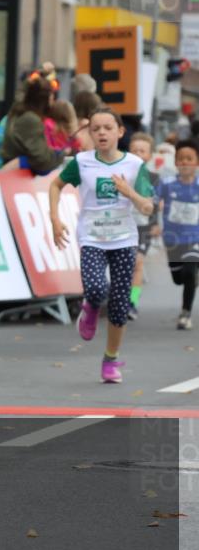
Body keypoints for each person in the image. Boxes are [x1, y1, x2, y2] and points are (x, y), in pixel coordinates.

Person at [50, 108, 155, 383]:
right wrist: (55, 220)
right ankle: (91, 306)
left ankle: (110, 359)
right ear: (90, 134)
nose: (102, 133)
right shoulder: (82, 162)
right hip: (92, 238)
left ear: (120, 132)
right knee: (96, 288)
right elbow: (55, 185)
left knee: (120, 305)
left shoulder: (134, 165)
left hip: (124, 239)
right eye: (95, 129)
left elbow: (147, 206)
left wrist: (129, 192)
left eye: (108, 128)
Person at [154, 139, 199, 330]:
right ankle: (193, 277)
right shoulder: (166, 183)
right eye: (181, 158)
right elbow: (152, 203)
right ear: (175, 162)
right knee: (178, 278)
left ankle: (185, 313)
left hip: (195, 238)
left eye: (189, 158)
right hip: (172, 239)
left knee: (189, 271)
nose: (185, 162)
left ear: (197, 162)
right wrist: (154, 224)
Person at [1, 69, 64, 174]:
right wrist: (59, 155)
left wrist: (33, 79)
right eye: (51, 98)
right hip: (20, 176)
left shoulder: (17, 111)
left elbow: (20, 95)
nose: (53, 102)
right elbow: (42, 161)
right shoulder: (31, 120)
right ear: (45, 100)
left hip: (11, 172)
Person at [126, 133, 161, 320]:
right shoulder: (121, 175)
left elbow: (158, 204)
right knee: (123, 265)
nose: (138, 154)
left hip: (144, 228)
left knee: (137, 263)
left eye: (142, 151)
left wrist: (156, 224)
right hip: (123, 224)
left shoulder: (154, 178)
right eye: (134, 150)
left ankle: (132, 302)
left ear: (150, 155)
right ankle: (119, 299)